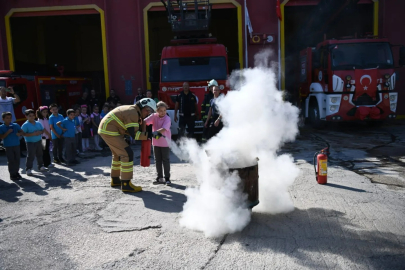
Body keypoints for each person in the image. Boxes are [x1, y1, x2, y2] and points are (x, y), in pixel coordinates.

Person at [98, 98, 156, 192]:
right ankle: (126, 184)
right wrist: (151, 135)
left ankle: (115, 180)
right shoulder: (132, 112)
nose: (148, 113)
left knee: (117, 155)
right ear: (142, 107)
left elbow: (130, 131)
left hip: (107, 129)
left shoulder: (133, 111)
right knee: (127, 154)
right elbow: (135, 135)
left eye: (150, 112)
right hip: (110, 131)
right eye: (147, 110)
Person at [145, 101, 172, 186]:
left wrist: (152, 133)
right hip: (156, 143)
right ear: (157, 110)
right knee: (157, 160)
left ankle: (167, 178)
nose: (163, 112)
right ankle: (160, 178)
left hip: (165, 143)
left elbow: (164, 129)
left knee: (165, 160)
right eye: (160, 110)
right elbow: (145, 122)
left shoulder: (167, 118)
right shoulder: (154, 116)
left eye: (164, 110)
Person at [21, 109, 47, 176]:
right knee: (30, 156)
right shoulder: (25, 125)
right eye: (30, 116)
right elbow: (23, 134)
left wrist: (40, 132)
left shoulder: (38, 123)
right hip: (30, 142)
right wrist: (33, 134)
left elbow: (43, 130)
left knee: (40, 154)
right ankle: (28, 169)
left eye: (33, 115)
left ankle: (41, 166)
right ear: (26, 116)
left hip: (38, 141)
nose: (32, 117)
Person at [0, 112, 24, 180]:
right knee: (11, 160)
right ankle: (12, 173)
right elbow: (1, 137)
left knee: (17, 159)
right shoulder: (1, 127)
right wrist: (7, 132)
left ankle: (16, 172)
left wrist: (20, 134)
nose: (9, 119)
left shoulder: (15, 125)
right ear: (3, 119)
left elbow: (22, 132)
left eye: (10, 118)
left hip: (16, 144)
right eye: (7, 118)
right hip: (8, 145)